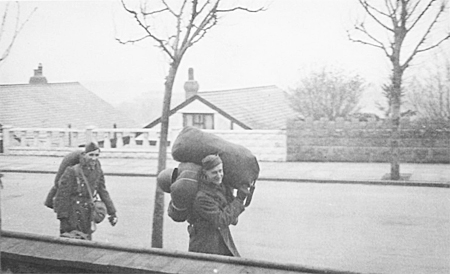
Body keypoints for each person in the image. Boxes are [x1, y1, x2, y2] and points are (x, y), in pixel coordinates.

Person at [185, 154, 248, 257]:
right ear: (205, 174)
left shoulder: (220, 188)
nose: (219, 175)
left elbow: (234, 220)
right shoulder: (202, 197)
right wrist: (239, 199)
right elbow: (221, 220)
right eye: (214, 172)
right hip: (205, 246)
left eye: (220, 171)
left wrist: (233, 195)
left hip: (221, 241)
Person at [53, 142, 118, 240]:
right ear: (84, 155)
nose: (94, 158)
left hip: (87, 213)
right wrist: (63, 218)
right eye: (91, 155)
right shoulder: (72, 171)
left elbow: (102, 190)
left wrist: (112, 212)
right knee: (69, 243)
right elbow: (63, 196)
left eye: (96, 155)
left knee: (86, 242)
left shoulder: (97, 171)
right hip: (72, 213)